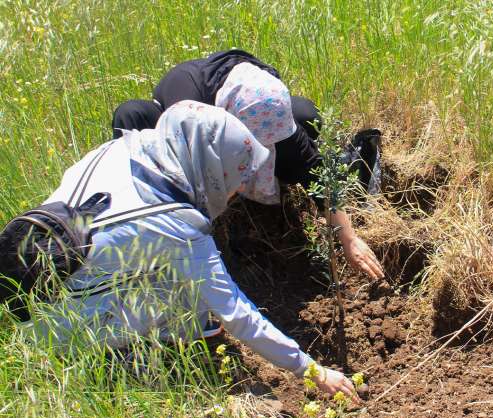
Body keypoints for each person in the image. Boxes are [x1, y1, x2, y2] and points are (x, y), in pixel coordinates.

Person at [34, 100, 357, 398]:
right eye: (233, 179)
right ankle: (136, 360)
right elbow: (237, 314)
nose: (234, 192)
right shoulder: (175, 225)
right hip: (62, 333)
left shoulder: (119, 149)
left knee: (176, 273)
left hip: (31, 290)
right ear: (212, 167)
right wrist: (312, 370)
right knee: (191, 293)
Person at [112, 49, 384, 281]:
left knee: (309, 117)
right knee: (130, 114)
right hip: (202, 104)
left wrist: (349, 239)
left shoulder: (272, 114)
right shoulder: (188, 119)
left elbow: (314, 174)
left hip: (246, 90)